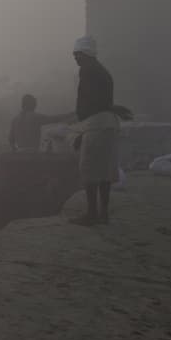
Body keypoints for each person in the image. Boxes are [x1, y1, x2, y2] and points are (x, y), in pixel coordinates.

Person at [70, 36, 119, 226]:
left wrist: (81, 125)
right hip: (108, 123)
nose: (75, 58)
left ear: (86, 54)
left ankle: (91, 213)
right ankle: (103, 213)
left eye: (77, 54)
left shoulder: (87, 71)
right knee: (104, 170)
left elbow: (91, 103)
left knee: (89, 169)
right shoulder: (103, 72)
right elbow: (104, 102)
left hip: (96, 124)